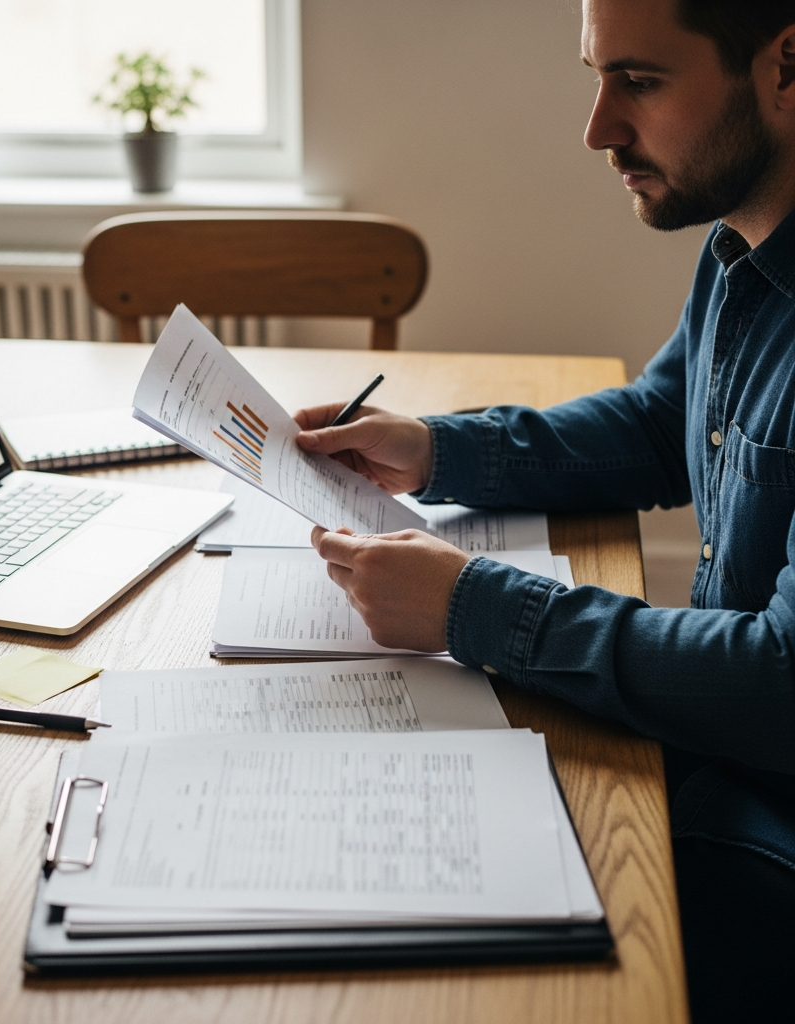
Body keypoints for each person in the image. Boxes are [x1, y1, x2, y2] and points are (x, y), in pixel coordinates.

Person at [295, 1, 795, 1020]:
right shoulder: (743, 245)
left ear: (786, 65)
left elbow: (781, 683)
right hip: (714, 751)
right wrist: (437, 449)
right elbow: (666, 424)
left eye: (640, 83)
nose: (597, 127)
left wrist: (473, 606)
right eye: (596, 75)